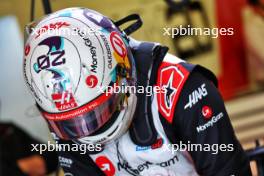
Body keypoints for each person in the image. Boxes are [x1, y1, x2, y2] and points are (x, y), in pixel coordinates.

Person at [23, 7, 252, 176]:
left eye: (96, 112)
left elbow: (228, 171)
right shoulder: (63, 119)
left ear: (123, 72)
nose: (86, 129)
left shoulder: (183, 88)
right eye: (74, 122)